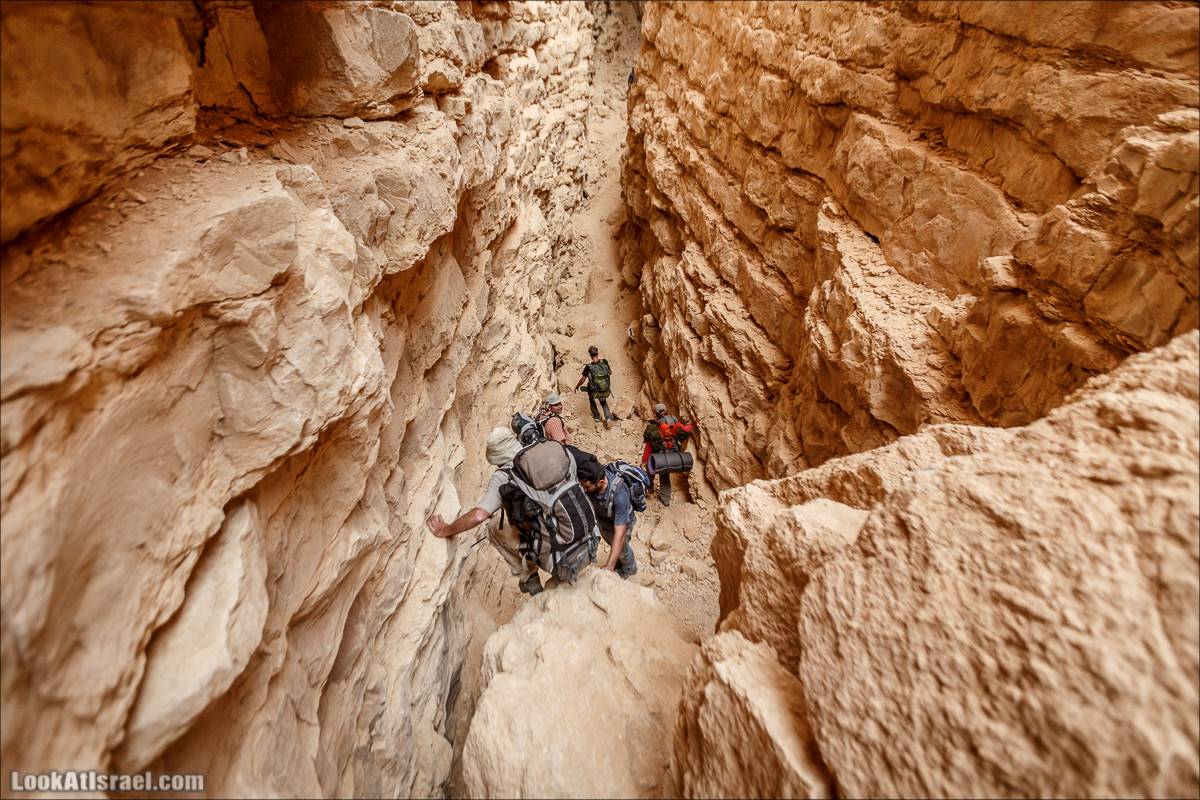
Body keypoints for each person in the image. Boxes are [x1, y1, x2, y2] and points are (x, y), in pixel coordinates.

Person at [426, 427, 547, 595]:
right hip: (568, 530)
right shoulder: (539, 457)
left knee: (493, 528)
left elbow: (479, 515)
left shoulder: (503, 476)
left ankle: (529, 578)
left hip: (543, 541)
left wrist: (446, 529)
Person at [577, 460, 638, 579]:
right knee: (612, 543)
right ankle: (618, 563)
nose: (584, 489)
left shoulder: (619, 494)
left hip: (623, 522)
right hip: (605, 521)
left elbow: (620, 533)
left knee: (623, 549)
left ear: (600, 482)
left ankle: (630, 569)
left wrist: (609, 566)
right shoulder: (593, 480)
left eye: (587, 487)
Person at [642, 403, 694, 507]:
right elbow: (687, 430)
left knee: (649, 470)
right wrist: (688, 422)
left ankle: (649, 489)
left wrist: (644, 460)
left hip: (656, 457)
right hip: (669, 458)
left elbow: (648, 446)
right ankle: (665, 499)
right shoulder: (675, 425)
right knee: (664, 476)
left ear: (655, 414)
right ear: (666, 410)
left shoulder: (653, 428)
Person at [575, 345, 613, 423]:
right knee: (603, 401)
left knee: (592, 399)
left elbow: (583, 380)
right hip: (604, 387)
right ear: (597, 353)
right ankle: (608, 418)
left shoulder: (589, 366)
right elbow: (610, 372)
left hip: (594, 389)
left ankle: (596, 417)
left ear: (590, 355)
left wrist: (577, 386)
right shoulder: (604, 361)